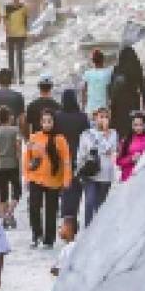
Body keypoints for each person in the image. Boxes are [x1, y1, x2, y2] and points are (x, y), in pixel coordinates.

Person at [23, 110, 72, 249]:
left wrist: (67, 178)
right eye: (44, 121)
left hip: (54, 180)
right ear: (40, 122)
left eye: (49, 121)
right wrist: (26, 176)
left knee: (51, 210)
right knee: (33, 207)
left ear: (54, 122)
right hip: (36, 178)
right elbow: (27, 158)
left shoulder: (60, 139)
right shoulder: (34, 138)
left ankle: (49, 239)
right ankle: (36, 234)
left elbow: (66, 160)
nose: (47, 124)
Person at [53, 88, 92, 220]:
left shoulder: (57, 117)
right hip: (78, 157)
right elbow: (88, 137)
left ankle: (66, 216)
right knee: (76, 189)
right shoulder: (82, 117)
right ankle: (72, 216)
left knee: (64, 187)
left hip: (61, 158)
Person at [77, 107, 119, 227]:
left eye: (106, 117)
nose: (103, 120)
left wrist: (105, 134)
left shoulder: (113, 134)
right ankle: (88, 229)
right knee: (89, 201)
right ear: (95, 118)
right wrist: (80, 170)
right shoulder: (86, 134)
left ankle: (98, 231)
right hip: (90, 174)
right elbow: (81, 154)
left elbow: (110, 150)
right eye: (101, 117)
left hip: (106, 174)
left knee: (101, 206)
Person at [0, 106, 23, 228]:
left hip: (0, 166)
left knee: (3, 193)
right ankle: (9, 213)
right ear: (9, 117)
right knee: (17, 192)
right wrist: (21, 164)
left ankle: (4, 217)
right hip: (13, 165)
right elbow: (18, 148)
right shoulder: (15, 131)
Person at [109, 46, 145, 133]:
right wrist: (144, 100)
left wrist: (111, 101)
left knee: (120, 125)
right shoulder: (137, 68)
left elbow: (112, 87)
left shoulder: (117, 69)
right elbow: (142, 85)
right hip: (133, 101)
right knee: (131, 123)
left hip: (119, 102)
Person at [0, 69, 27, 141]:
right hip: (12, 138)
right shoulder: (18, 96)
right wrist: (24, 138)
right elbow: (22, 121)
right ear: (11, 81)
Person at [3, 0, 30, 85]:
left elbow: (26, 20)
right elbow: (5, 20)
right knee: (10, 56)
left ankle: (21, 76)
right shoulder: (7, 7)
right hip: (10, 34)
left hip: (21, 34)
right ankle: (12, 77)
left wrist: (26, 32)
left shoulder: (24, 7)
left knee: (20, 56)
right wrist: (6, 30)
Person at [117, 111, 145, 182]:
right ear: (132, 125)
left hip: (143, 178)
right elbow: (118, 161)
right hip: (127, 178)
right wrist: (131, 159)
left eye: (141, 125)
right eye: (136, 125)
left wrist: (143, 158)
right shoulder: (126, 140)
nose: (138, 127)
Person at [80, 48, 113, 115]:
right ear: (103, 59)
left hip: (90, 108)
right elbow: (110, 91)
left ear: (93, 61)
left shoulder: (87, 73)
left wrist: (83, 107)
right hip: (103, 108)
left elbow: (83, 91)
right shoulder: (108, 73)